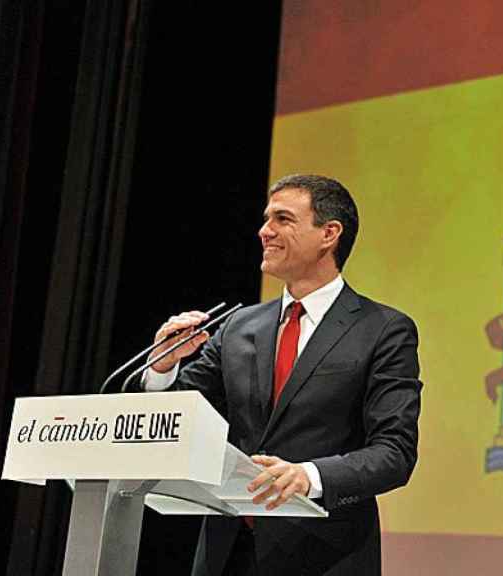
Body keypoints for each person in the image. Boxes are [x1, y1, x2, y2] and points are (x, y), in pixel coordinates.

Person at [140, 174, 422, 575]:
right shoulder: (239, 325)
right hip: (227, 552)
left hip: (323, 554)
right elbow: (179, 420)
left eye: (282, 219)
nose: (264, 231)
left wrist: (308, 475)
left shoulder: (382, 330)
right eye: (265, 218)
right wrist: (164, 367)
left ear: (329, 234)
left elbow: (394, 453)